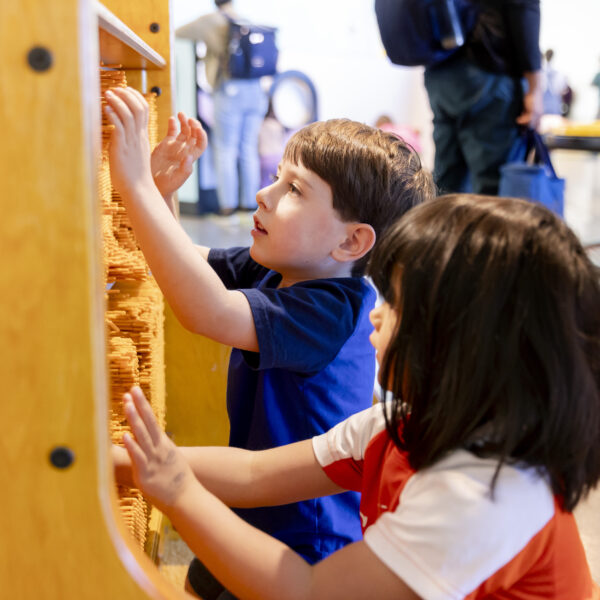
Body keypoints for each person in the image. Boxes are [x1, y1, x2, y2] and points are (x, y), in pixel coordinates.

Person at [115, 194, 600, 599]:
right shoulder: (397, 424)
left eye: (398, 303)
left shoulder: (485, 492)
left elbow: (309, 591)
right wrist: (126, 461)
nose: (376, 314)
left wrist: (176, 491)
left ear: (462, 345)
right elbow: (254, 473)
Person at [104, 85, 434, 598]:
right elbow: (185, 265)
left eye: (295, 190)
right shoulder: (276, 264)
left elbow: (206, 310)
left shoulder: (332, 309)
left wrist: (136, 188)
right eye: (278, 176)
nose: (265, 193)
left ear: (351, 241)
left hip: (303, 539)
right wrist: (163, 192)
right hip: (247, 502)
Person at [423, 0, 543, 195]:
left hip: (439, 71)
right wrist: (535, 87)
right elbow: (523, 9)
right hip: (487, 70)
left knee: (446, 183)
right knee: (493, 187)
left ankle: (442, 226)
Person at [176, 0, 269, 216]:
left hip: (230, 91)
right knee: (248, 148)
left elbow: (177, 32)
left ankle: (227, 206)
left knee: (226, 148)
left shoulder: (210, 20)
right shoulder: (245, 19)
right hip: (255, 91)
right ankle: (249, 204)